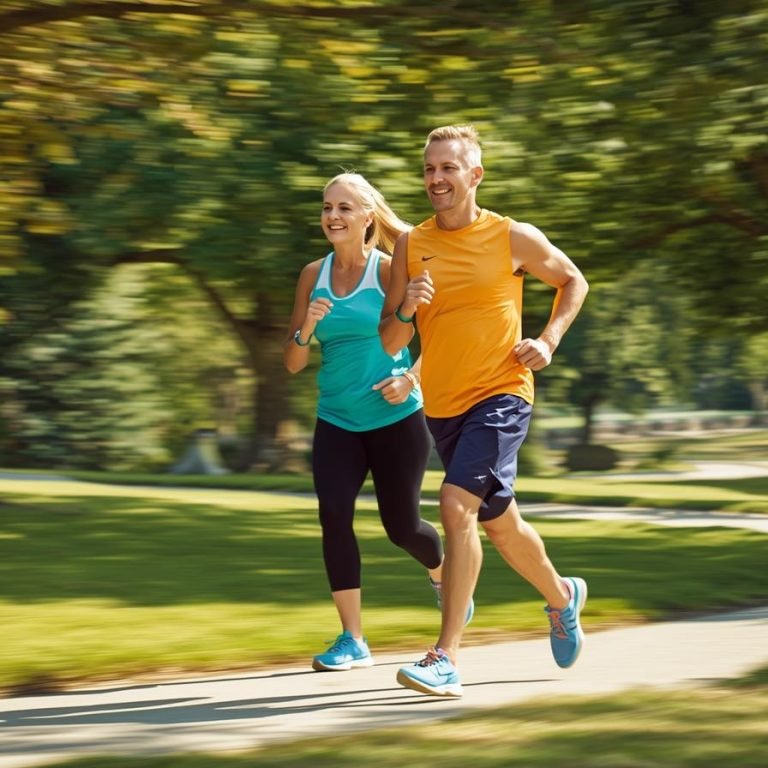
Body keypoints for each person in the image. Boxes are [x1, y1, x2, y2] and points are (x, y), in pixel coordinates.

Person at [379, 125, 590, 697]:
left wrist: (547, 341)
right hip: (442, 408)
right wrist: (406, 304)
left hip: (502, 393)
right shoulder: (410, 244)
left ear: (475, 175)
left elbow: (573, 280)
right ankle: (563, 598)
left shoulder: (511, 237)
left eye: (448, 168)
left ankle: (445, 656)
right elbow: (392, 338)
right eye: (429, 170)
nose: (436, 179)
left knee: (454, 503)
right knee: (500, 524)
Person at [284, 172, 472, 673]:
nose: (333, 216)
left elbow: (439, 338)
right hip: (336, 419)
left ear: (368, 216)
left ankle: (443, 577)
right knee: (333, 517)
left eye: (345, 207)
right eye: (327, 207)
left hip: (395, 419)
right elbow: (293, 362)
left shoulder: (391, 271)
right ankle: (353, 638)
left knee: (401, 526)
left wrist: (411, 379)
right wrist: (307, 327)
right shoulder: (312, 275)